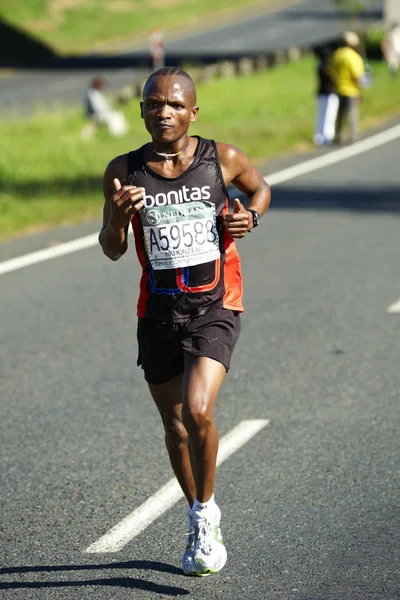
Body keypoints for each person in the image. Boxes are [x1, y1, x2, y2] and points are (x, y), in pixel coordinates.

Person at [98, 67, 271, 576]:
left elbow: (259, 190)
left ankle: (205, 512)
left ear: (193, 111)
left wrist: (250, 217)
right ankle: (196, 513)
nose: (163, 111)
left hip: (216, 303)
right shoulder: (125, 169)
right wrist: (115, 217)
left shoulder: (223, 158)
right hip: (157, 312)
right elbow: (112, 250)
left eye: (174, 104)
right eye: (153, 103)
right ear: (143, 111)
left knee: (197, 411)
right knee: (174, 425)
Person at [331, 31, 365, 144]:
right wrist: (360, 91)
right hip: (351, 89)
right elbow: (357, 76)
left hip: (340, 88)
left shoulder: (338, 54)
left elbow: (332, 70)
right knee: (352, 113)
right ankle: (353, 135)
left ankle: (339, 136)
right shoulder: (353, 57)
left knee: (340, 114)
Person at [313, 46, 339, 146]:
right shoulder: (327, 67)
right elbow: (333, 78)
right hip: (329, 93)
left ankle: (319, 136)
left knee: (321, 115)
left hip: (321, 93)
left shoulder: (318, 65)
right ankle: (328, 136)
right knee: (329, 115)